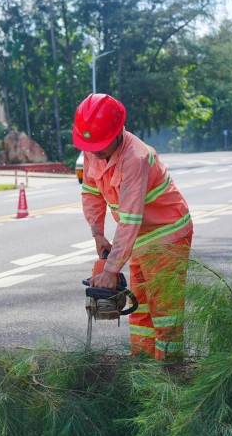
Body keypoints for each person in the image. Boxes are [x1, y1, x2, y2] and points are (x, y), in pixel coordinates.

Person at [74, 93, 193, 360]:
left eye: (100, 147)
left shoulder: (135, 158)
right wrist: (97, 233)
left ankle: (169, 374)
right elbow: (91, 192)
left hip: (167, 236)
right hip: (139, 239)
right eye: (90, 147)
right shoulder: (93, 149)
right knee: (140, 310)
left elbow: (129, 220)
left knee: (164, 311)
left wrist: (112, 270)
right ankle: (141, 366)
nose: (94, 153)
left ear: (117, 132)